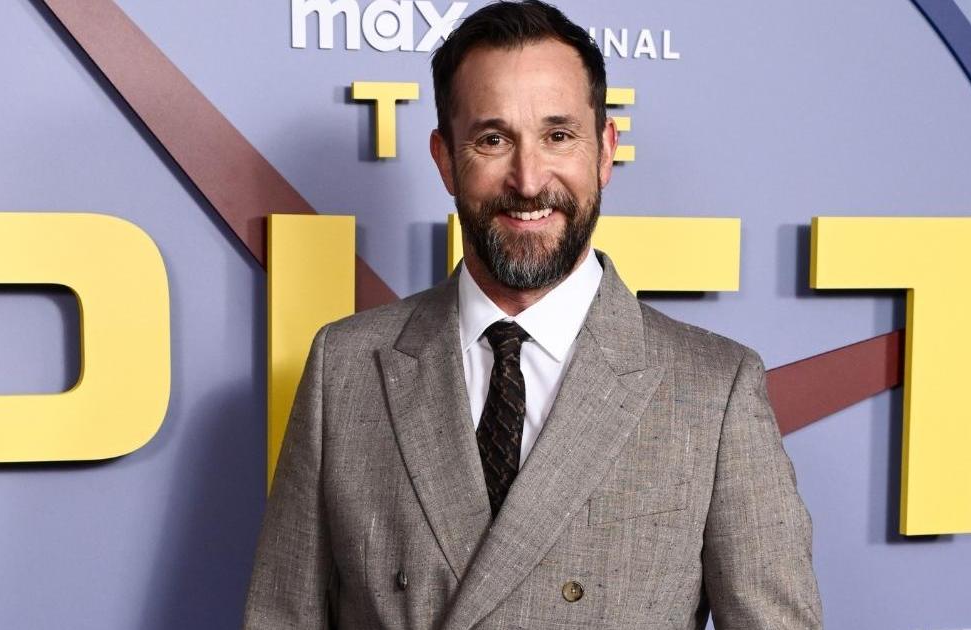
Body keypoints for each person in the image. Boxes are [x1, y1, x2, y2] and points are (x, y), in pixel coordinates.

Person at [243, 1, 823, 628]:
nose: (527, 180)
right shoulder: (344, 368)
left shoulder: (714, 389)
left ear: (605, 150)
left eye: (558, 136)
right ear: (445, 159)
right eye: (493, 140)